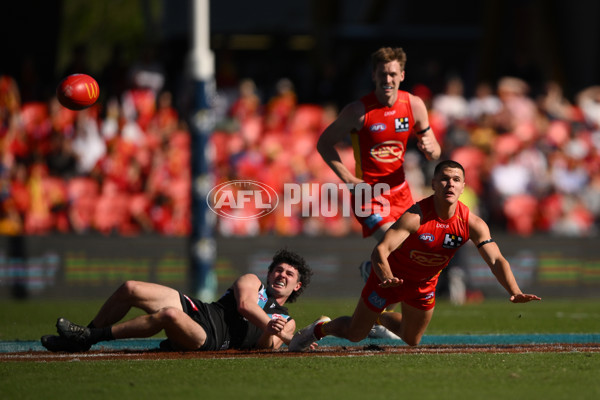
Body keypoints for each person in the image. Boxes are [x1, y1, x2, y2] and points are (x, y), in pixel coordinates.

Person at [289, 160, 541, 352]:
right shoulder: (416, 216)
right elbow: (381, 250)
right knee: (355, 333)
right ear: (433, 184)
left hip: (423, 285)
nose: (450, 184)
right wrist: (386, 276)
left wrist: (514, 290)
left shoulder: (473, 223)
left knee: (412, 339)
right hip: (390, 279)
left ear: (464, 186)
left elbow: (496, 260)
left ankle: (379, 318)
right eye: (444, 179)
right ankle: (319, 328)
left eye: (456, 179)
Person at [316, 46, 441, 337]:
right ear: (374, 75)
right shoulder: (358, 111)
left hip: (401, 193)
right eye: (383, 73)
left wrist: (432, 148)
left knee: (412, 252)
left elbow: (431, 141)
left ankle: (371, 283)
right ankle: (372, 273)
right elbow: (324, 142)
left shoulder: (414, 105)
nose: (388, 78)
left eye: (393, 73)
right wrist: (347, 177)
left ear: (402, 75)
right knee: (392, 245)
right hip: (367, 195)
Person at [41, 248, 312, 352]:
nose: (282, 274)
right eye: (278, 269)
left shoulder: (287, 319)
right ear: (269, 273)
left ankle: (89, 336)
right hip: (200, 309)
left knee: (169, 315)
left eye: (289, 273)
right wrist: (270, 325)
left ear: (296, 285)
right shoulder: (252, 281)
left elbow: (267, 347)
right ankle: (82, 339)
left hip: (209, 336)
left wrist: (281, 334)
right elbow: (244, 306)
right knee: (130, 287)